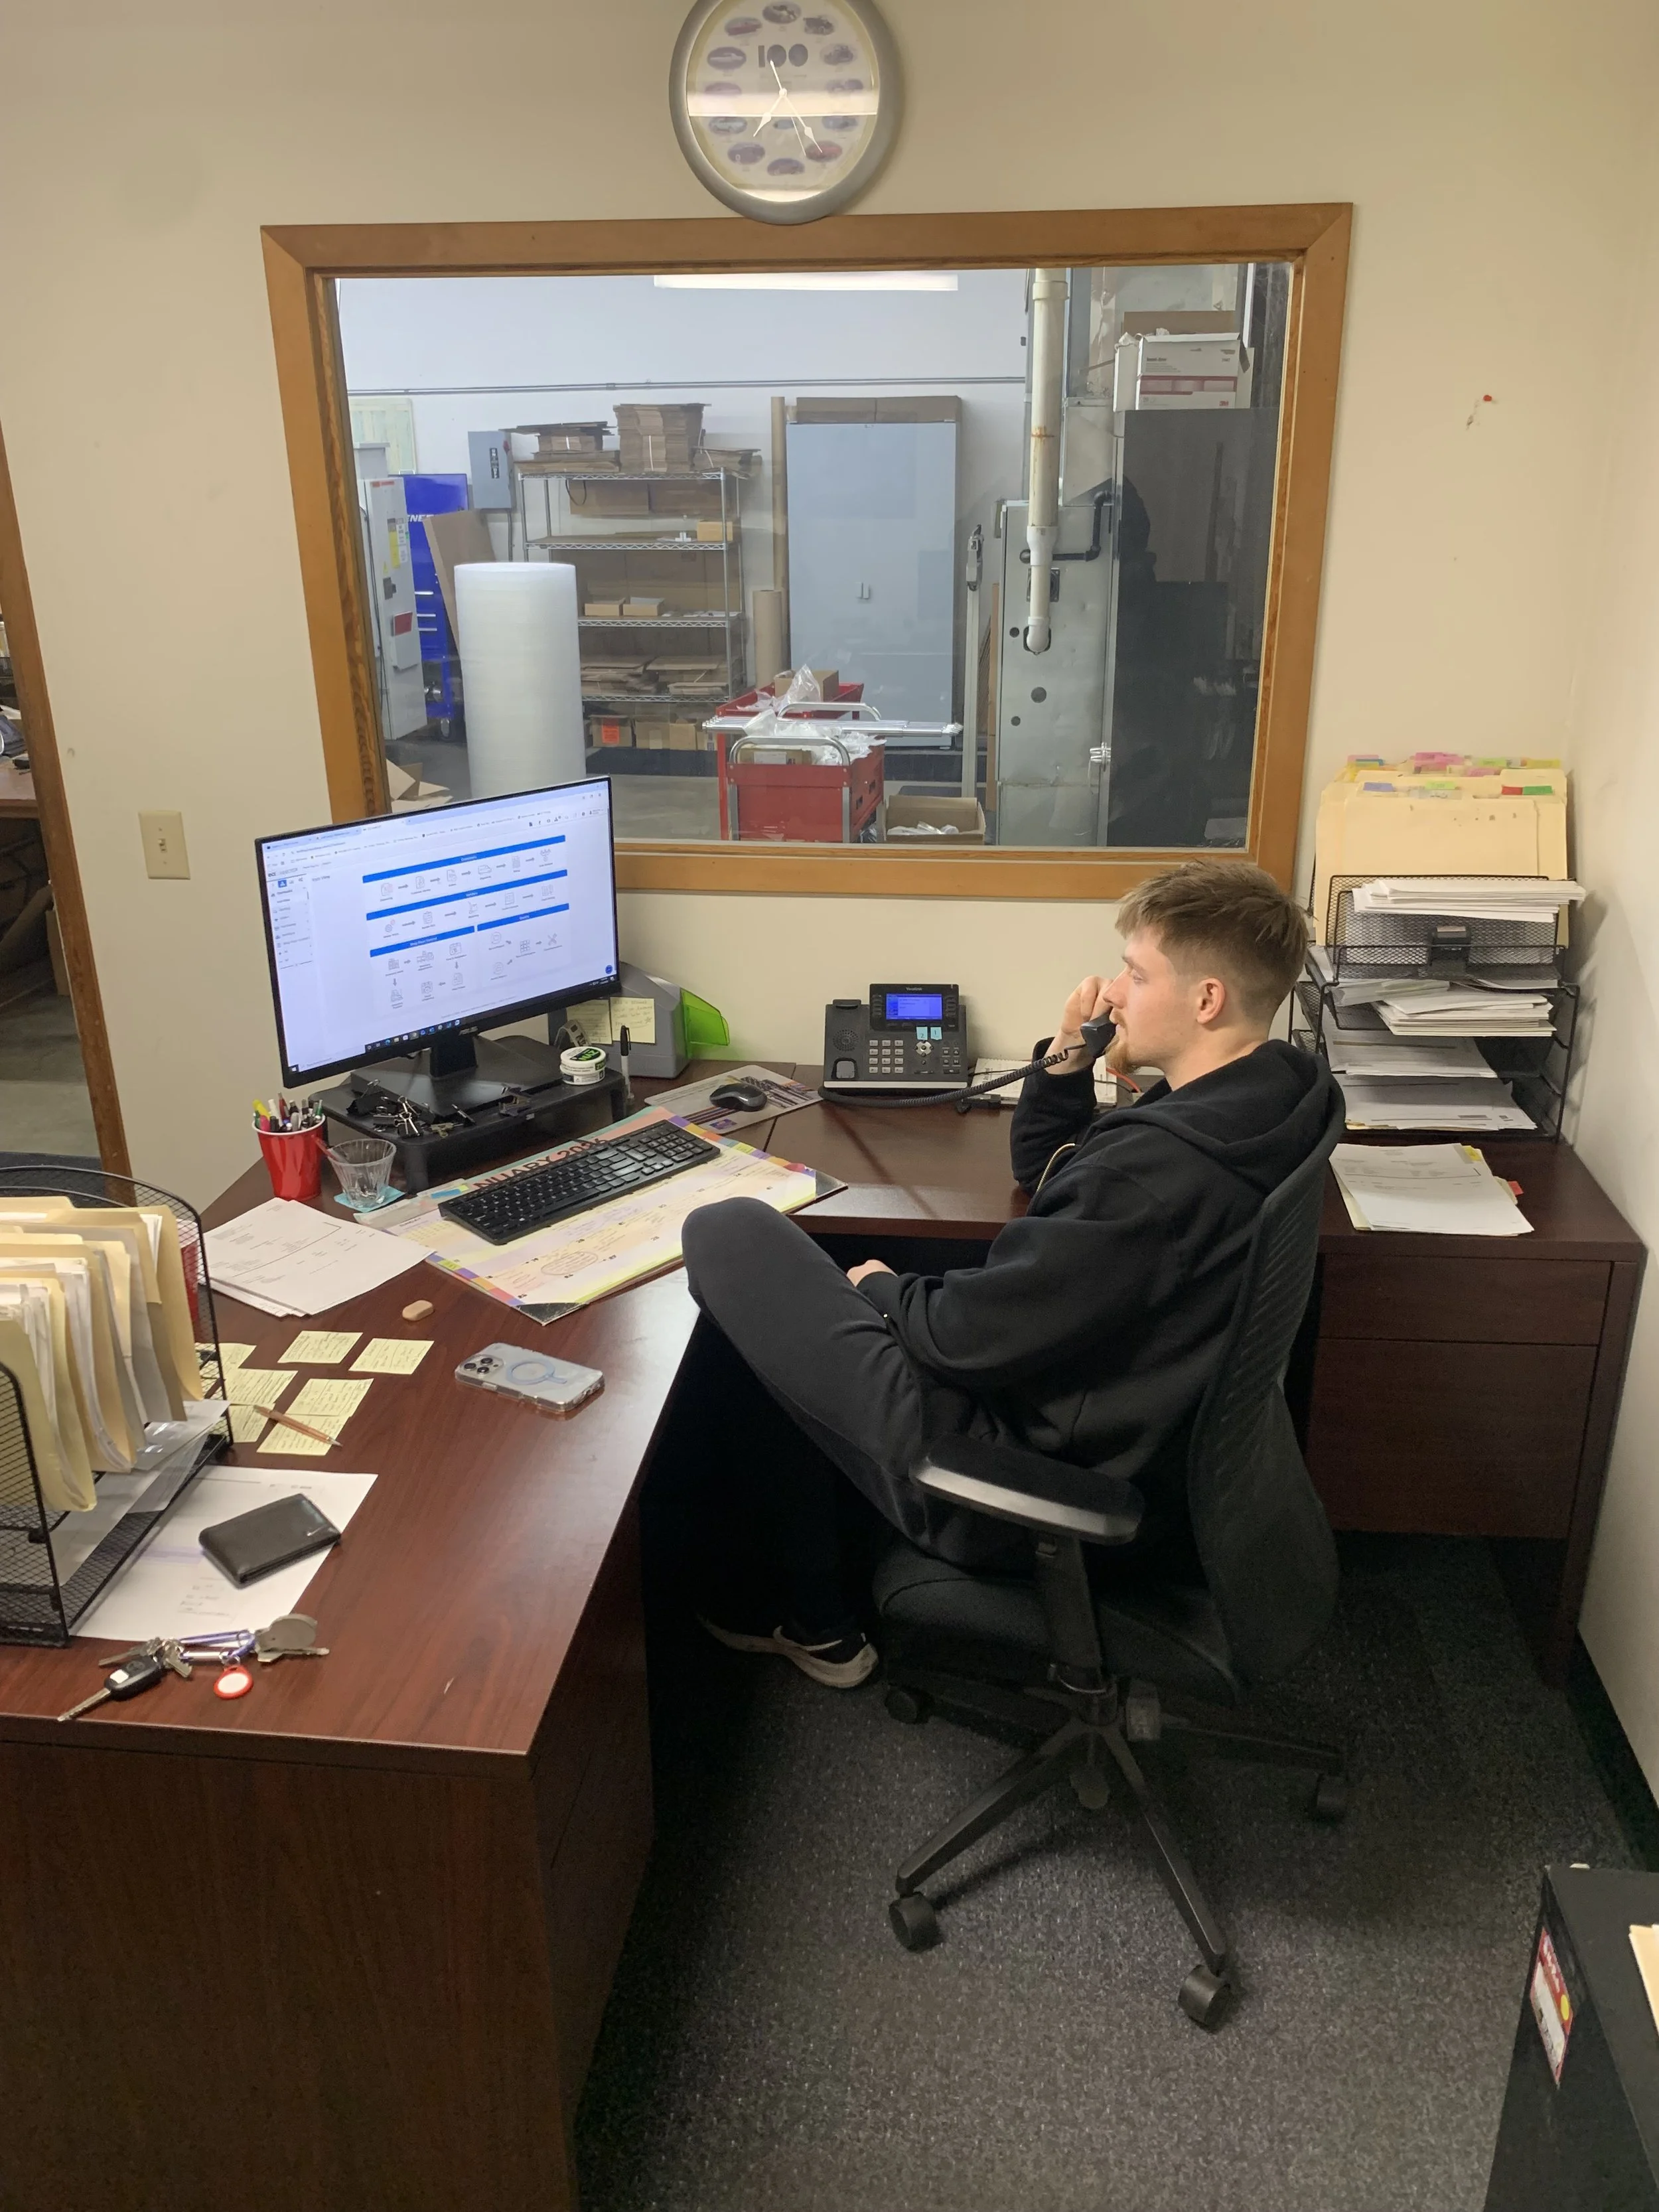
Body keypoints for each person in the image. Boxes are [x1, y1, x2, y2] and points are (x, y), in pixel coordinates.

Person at [676, 858, 1336, 1690]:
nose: (1113, 992)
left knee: (730, 1231)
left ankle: (814, 1616)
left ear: (1206, 1000)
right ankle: (807, 1578)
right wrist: (1069, 1058)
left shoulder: (1153, 1175)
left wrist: (879, 1287)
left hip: (1025, 1480)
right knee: (834, 1288)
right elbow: (1051, 1174)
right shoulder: (1268, 1097)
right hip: (1148, 1442)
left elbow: (958, 1339)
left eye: (1135, 974)